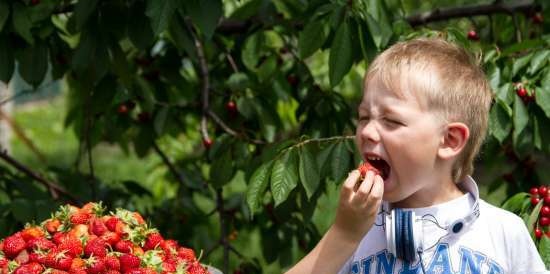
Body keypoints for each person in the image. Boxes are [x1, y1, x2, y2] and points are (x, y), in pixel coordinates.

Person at [285, 37, 547, 274]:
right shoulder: (356, 229)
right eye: (364, 117)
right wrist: (343, 235)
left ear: (449, 140)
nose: (367, 131)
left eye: (391, 121)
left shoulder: (503, 233)